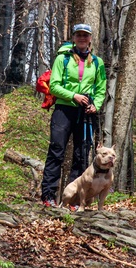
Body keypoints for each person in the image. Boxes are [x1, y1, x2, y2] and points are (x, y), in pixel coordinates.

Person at [41, 23, 107, 207]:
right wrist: (73, 96)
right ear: (74, 37)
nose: (82, 38)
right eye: (79, 35)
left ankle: (76, 199)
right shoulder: (62, 59)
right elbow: (54, 86)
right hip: (64, 109)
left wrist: (96, 105)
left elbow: (101, 89)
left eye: (85, 35)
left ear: (90, 38)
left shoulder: (97, 62)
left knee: (81, 154)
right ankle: (48, 196)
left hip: (86, 111)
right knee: (56, 151)